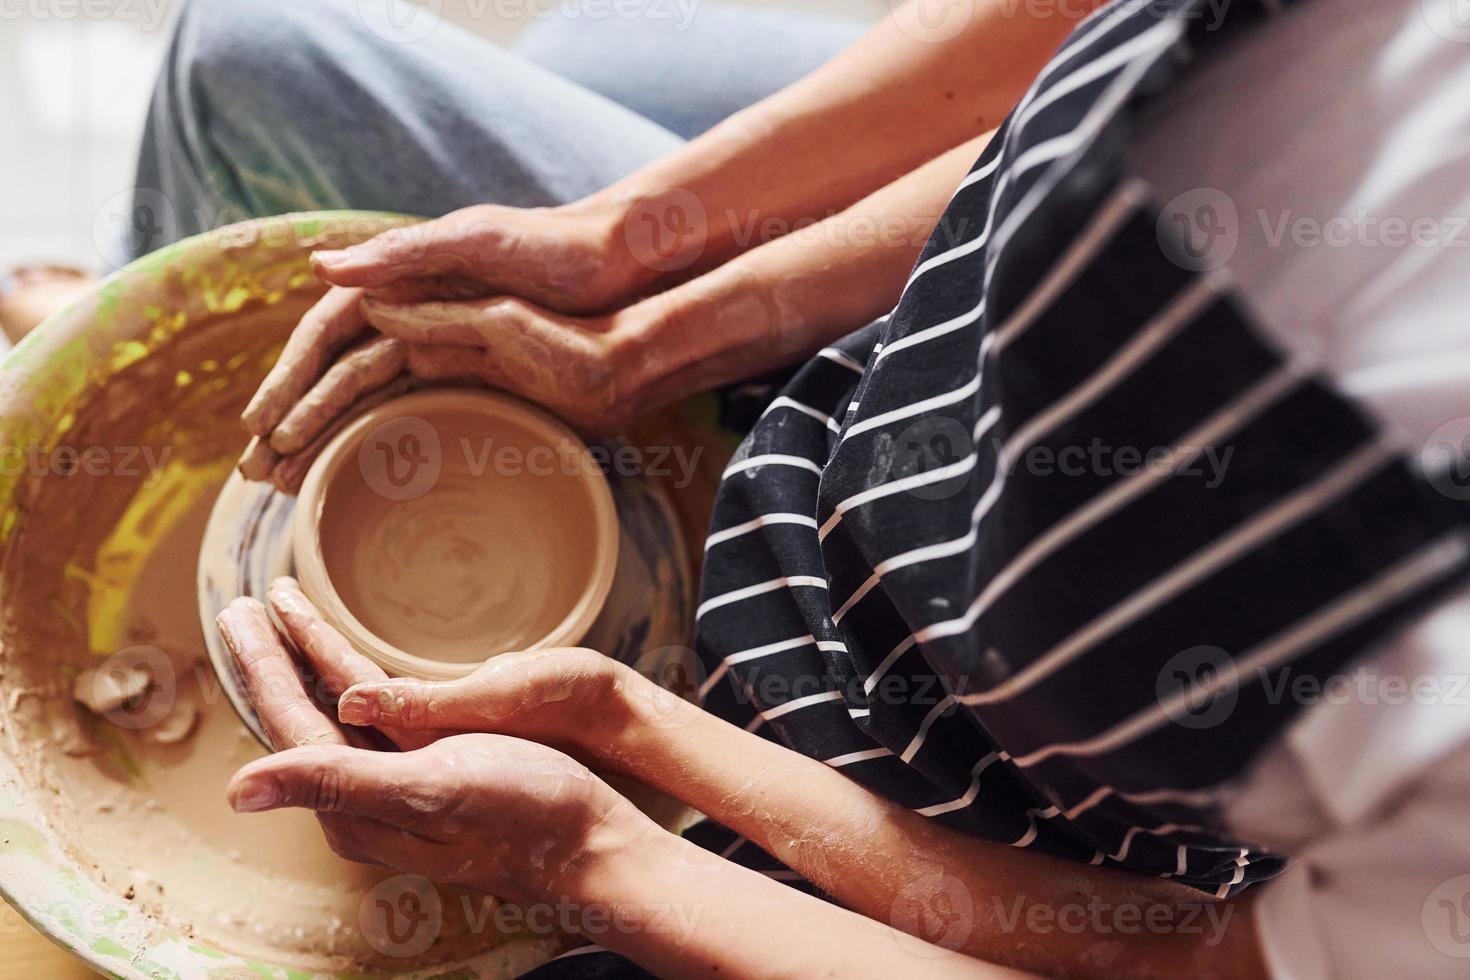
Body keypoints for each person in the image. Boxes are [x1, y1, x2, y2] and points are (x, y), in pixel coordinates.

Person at [139, 0, 1470, 975]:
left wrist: (598, 829)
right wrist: (632, 290)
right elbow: (1070, 59)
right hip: (855, 368)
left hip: (953, 830)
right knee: (241, 60)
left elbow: (1177, 965)